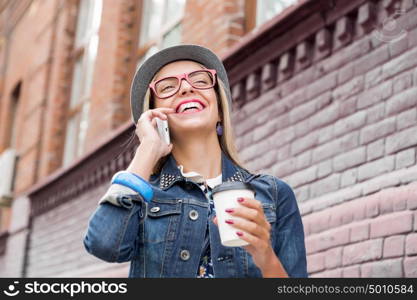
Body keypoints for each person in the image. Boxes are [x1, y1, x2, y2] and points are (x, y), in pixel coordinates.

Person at [83, 44, 307, 278]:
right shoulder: (144, 195)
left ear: (220, 110)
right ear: (156, 118)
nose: (187, 88)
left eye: (200, 81)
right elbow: (103, 244)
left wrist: (265, 256)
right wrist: (147, 149)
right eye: (168, 87)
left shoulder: (274, 194)